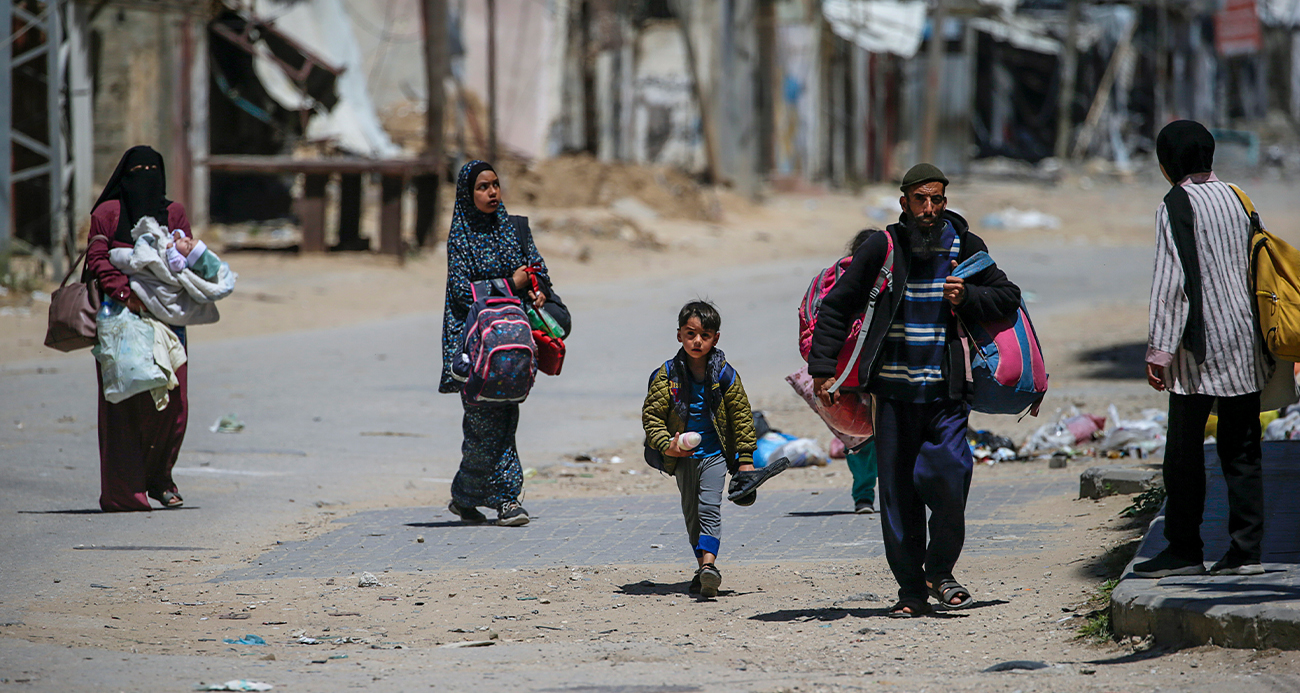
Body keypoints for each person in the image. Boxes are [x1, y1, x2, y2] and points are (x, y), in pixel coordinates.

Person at [809, 163, 1022, 617]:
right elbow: (837, 306)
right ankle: (911, 590)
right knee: (898, 495)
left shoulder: (966, 246)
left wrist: (968, 297)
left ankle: (939, 569)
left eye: (937, 200)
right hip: (891, 395)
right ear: (903, 202)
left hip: (946, 393)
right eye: (921, 200)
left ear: (945, 201)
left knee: (947, 477)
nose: (929, 209)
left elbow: (1007, 296)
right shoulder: (882, 247)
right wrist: (822, 369)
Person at [1133, 120, 1270, 578]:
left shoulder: (1175, 204)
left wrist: (1159, 351)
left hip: (1200, 349)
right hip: (1245, 341)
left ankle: (1184, 549)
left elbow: (1170, 284)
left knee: (1185, 453)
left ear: (1168, 160)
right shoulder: (1238, 196)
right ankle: (1246, 550)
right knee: (1243, 451)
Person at [439, 160, 548, 527]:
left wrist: (536, 289)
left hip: (513, 345)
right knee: (483, 425)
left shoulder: (513, 229)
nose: (492, 193)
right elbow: (460, 292)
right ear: (468, 195)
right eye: (483, 187)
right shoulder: (461, 236)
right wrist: (510, 285)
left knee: (504, 421)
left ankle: (466, 497)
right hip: (473, 348)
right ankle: (505, 501)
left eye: (496, 185)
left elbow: (536, 270)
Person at [643, 300, 774, 598]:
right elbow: (651, 418)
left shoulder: (725, 375)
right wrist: (668, 446)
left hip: (714, 455)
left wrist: (745, 461)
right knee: (692, 515)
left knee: (709, 508)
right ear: (679, 335)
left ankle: (709, 566)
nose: (697, 341)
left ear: (716, 337)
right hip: (683, 460)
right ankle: (704, 568)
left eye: (705, 334)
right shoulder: (666, 376)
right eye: (691, 334)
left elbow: (742, 418)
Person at [86, 145, 192, 511]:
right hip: (119, 320)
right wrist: (126, 293)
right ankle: (123, 489)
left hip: (168, 321)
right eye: (137, 170)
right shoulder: (107, 214)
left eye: (152, 169)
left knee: (173, 401)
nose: (144, 176)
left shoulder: (173, 213)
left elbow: (187, 259)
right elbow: (96, 258)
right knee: (123, 401)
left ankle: (161, 479)